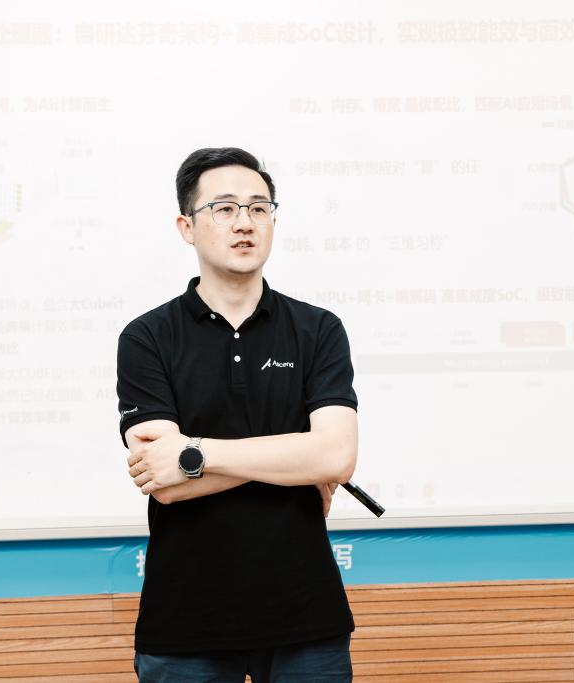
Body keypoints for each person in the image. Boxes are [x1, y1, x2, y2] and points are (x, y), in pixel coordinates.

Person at [116, 147, 359, 682]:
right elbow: (164, 480)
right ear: (187, 226)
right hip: (186, 623)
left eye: (258, 208)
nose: (244, 223)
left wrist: (196, 454)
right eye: (223, 208)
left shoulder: (317, 330)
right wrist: (296, 459)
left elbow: (336, 456)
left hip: (306, 617)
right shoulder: (147, 338)